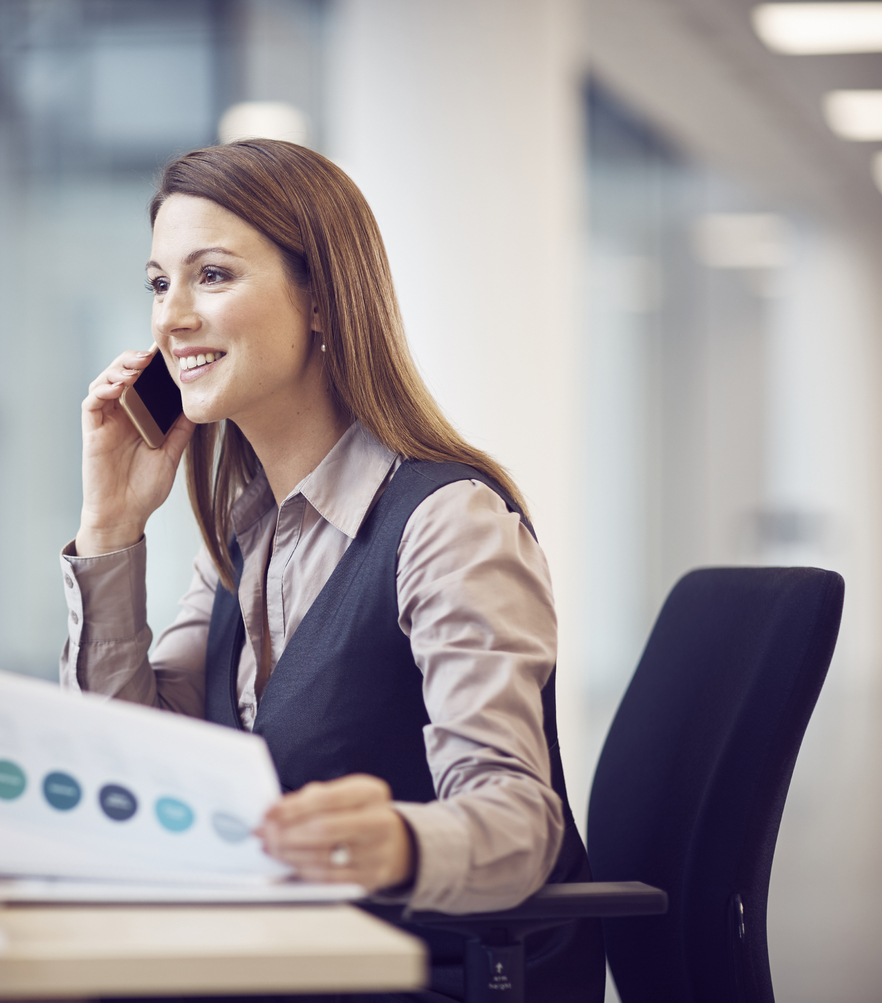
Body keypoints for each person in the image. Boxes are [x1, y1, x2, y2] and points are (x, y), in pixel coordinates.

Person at [59, 140, 601, 1002]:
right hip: (282, 955)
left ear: (320, 299)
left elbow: (520, 818)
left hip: (419, 972)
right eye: (160, 283)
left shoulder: (447, 523)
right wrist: (111, 525)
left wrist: (401, 841)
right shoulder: (240, 531)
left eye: (213, 276)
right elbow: (130, 762)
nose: (170, 319)